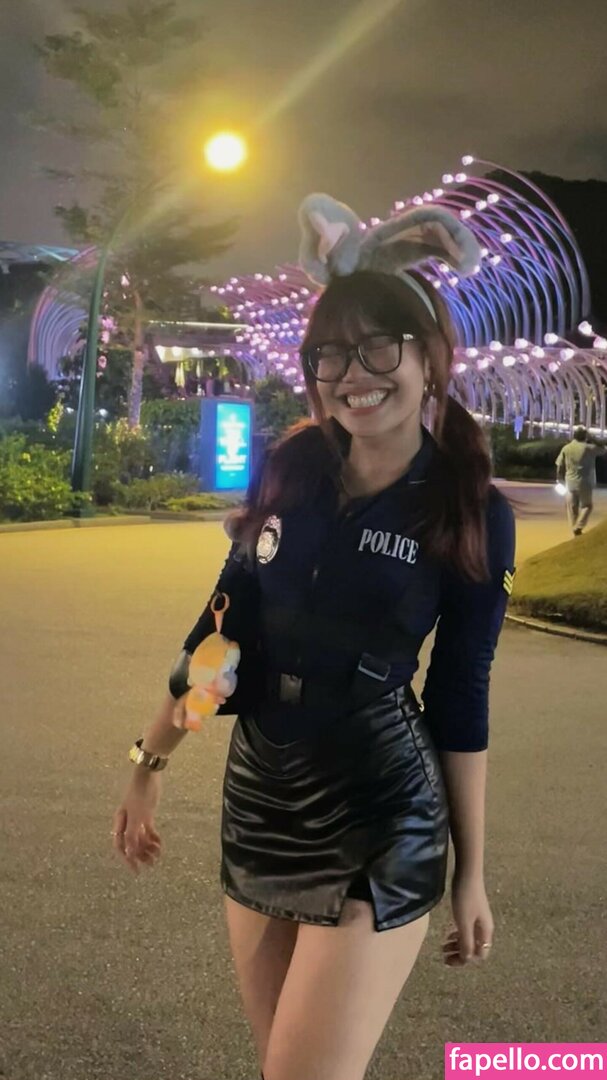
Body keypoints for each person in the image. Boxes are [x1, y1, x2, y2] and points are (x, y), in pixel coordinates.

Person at [112, 194, 516, 1080]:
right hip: (261, 801)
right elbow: (218, 637)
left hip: (381, 816)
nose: (351, 373)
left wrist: (470, 872)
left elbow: (460, 697)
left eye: (379, 348)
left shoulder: (467, 507)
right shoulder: (290, 470)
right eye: (329, 353)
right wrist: (149, 761)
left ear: (429, 358)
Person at [555, 426, 606, 535]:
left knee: (572, 509)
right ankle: (578, 526)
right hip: (585, 481)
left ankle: (575, 531)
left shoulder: (566, 448)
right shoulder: (588, 448)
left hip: (570, 482)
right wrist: (593, 439)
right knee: (587, 506)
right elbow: (603, 449)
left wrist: (559, 479)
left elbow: (559, 465)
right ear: (585, 436)